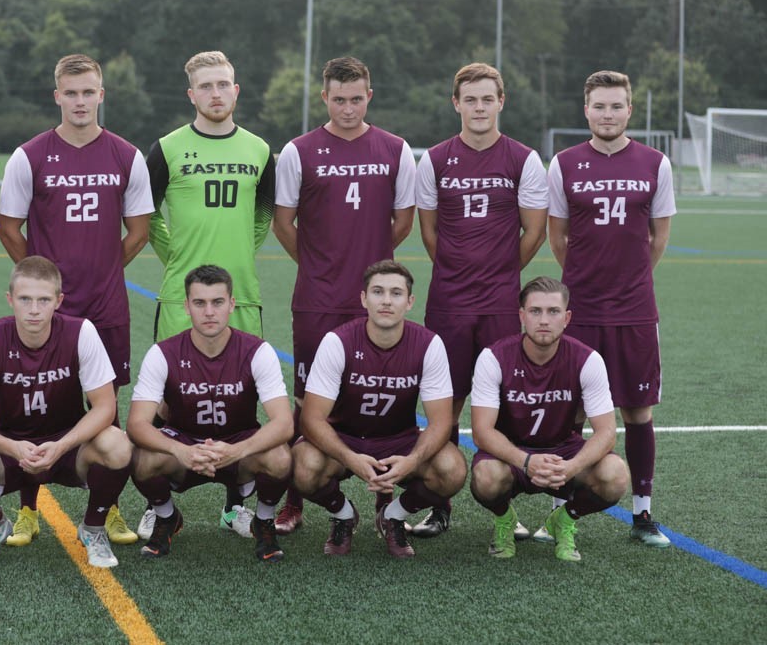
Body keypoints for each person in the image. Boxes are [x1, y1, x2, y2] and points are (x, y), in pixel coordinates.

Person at [0, 53, 154, 548]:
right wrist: (44, 286)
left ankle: (107, 510)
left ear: (101, 95)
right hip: (50, 311)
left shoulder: (126, 155)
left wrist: (105, 270)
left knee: (106, 407)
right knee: (35, 403)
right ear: (57, 97)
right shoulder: (30, 155)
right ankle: (28, 510)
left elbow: (139, 231)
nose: (80, 101)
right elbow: (8, 228)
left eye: (88, 92)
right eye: (71, 93)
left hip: (106, 306)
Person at [272, 56, 416, 534]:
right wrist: (317, 265)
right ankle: (294, 499)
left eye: (356, 99)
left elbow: (403, 221)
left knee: (381, 395)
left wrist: (369, 267)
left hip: (376, 300)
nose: (348, 108)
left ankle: (383, 498)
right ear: (324, 98)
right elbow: (283, 223)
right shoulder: (298, 151)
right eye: (339, 99)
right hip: (317, 298)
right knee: (306, 399)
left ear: (369, 96)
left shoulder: (396, 149)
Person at [411, 62, 549, 538]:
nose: (479, 107)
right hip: (448, 302)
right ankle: (439, 504)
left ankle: (504, 510)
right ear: (456, 104)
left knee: (504, 404)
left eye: (487, 98)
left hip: (499, 303)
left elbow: (534, 231)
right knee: (444, 404)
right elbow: (429, 232)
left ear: (500, 102)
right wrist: (458, 271)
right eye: (470, 99)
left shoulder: (523, 159)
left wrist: (500, 273)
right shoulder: (434, 159)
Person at [144, 50, 276, 538]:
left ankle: (236, 505)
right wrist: (178, 256)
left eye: (223, 84)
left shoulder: (260, 150)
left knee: (241, 401)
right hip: (181, 298)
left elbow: (264, 215)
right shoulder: (166, 149)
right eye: (206, 86)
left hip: (242, 296)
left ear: (236, 90)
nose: (215, 94)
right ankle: (158, 503)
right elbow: (145, 213)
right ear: (191, 94)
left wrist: (235, 259)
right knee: (166, 402)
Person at [0, 256, 133, 567]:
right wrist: (11, 447)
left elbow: (105, 406)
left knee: (118, 444)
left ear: (59, 301)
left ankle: (93, 528)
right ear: (10, 299)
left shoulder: (81, 332)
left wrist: (62, 445)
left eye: (44, 300)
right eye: (25, 299)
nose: (34, 309)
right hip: (11, 448)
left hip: (68, 447)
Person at [547, 70, 675, 548]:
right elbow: (558, 237)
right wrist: (585, 280)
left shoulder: (655, 163)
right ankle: (560, 509)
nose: (607, 114)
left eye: (616, 106)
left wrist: (631, 280)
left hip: (635, 310)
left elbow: (658, 238)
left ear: (629, 110)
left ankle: (642, 512)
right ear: (586, 110)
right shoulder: (564, 163)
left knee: (637, 410)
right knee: (571, 412)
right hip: (579, 310)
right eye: (599, 106)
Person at [292, 260, 466, 558]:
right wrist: (349, 458)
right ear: (364, 299)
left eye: (396, 293)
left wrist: (412, 461)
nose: (386, 300)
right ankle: (343, 514)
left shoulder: (429, 344)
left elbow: (440, 422)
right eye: (378, 292)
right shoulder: (338, 341)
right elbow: (311, 418)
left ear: (409, 302)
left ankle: (393, 515)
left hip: (400, 440)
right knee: (301, 466)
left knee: (452, 469)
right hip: (345, 437)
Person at [127, 265, 293, 562]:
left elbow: (283, 423)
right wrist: (181, 451)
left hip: (238, 443)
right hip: (184, 441)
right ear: (186, 306)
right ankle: (166, 517)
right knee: (142, 456)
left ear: (231, 304)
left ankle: (264, 520)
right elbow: (137, 424)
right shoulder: (163, 353)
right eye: (199, 303)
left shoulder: (257, 351)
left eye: (217, 302)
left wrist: (237, 450)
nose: (209, 312)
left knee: (280, 456)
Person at [469, 276, 629, 561]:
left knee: (615, 475)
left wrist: (571, 467)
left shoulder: (587, 360)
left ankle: (564, 519)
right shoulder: (494, 357)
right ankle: (505, 519)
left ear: (566, 318)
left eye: (553, 311)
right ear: (522, 316)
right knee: (486, 477)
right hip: (512, 454)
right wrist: (526, 461)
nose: (544, 320)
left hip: (563, 452)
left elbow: (606, 432)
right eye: (535, 311)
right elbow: (482, 431)